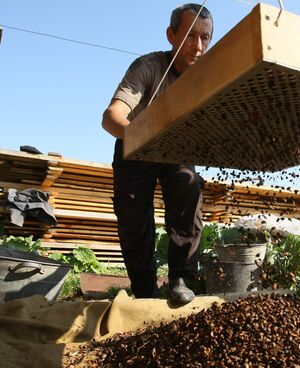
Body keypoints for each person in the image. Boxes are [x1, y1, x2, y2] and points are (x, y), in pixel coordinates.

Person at [101, 3, 213, 303]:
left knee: (189, 184)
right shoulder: (148, 67)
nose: (198, 46)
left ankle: (179, 279)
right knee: (134, 217)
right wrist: (146, 139)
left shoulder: (207, 77)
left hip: (175, 150)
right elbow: (112, 117)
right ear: (171, 35)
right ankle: (145, 290)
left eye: (205, 38)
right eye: (190, 36)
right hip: (135, 148)